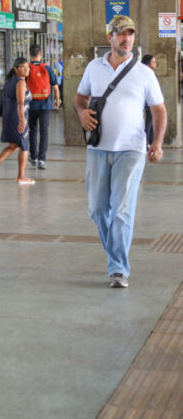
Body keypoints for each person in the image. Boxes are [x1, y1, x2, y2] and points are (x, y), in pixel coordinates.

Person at [74, 15, 167, 289]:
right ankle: (115, 252)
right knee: (97, 210)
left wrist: (157, 143)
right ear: (110, 37)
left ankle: (118, 268)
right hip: (97, 149)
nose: (126, 38)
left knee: (122, 212)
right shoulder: (94, 67)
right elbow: (80, 98)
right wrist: (81, 113)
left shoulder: (144, 73)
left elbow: (159, 110)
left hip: (132, 150)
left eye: (130, 34)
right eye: (121, 34)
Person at [0, 58, 35, 185]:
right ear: (16, 69)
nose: (27, 69)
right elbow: (20, 103)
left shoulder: (10, 81)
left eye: (28, 67)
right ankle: (21, 176)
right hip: (18, 117)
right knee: (24, 147)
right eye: (23, 67)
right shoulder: (20, 83)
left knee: (14, 145)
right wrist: (22, 121)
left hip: (10, 117)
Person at [26, 44, 60, 169]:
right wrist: (57, 101)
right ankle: (42, 159)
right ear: (41, 54)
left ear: (30, 54)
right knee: (44, 131)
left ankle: (33, 157)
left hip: (31, 104)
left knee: (32, 130)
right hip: (45, 105)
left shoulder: (27, 68)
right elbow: (55, 88)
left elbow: (21, 87)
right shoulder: (47, 68)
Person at [141, 54, 157, 146]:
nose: (155, 64)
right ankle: (146, 142)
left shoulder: (148, 73)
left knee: (151, 121)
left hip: (150, 100)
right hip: (148, 101)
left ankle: (150, 141)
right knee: (149, 122)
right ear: (148, 64)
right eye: (153, 62)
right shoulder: (147, 74)